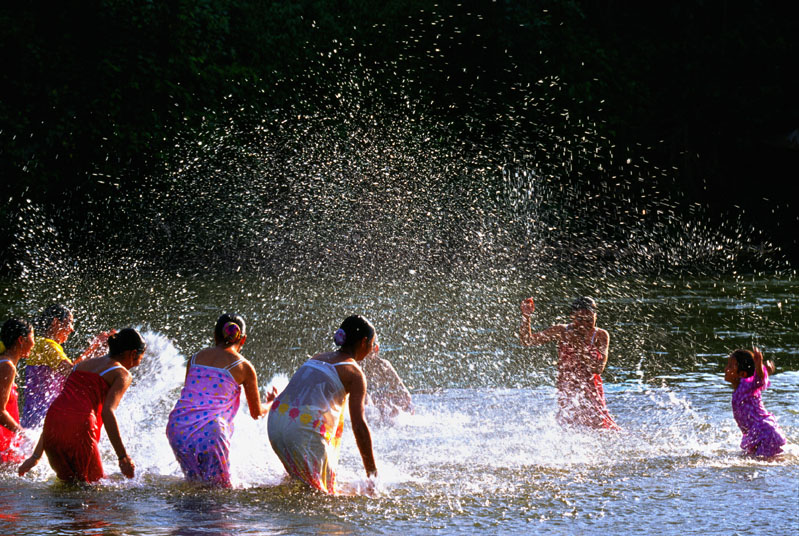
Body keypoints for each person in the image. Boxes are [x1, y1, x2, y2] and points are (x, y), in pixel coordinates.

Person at [268, 315, 378, 494]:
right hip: (301, 427)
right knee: (321, 499)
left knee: (301, 487)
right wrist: (372, 474)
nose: (372, 349)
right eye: (372, 344)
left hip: (276, 420)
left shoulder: (319, 357)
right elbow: (359, 425)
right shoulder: (355, 373)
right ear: (364, 342)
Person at [18, 328, 146, 483]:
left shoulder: (81, 365)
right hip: (81, 429)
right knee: (93, 491)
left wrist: (36, 456)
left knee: (68, 487)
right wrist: (123, 457)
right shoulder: (122, 374)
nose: (138, 364)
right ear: (133, 354)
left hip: (53, 422)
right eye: (140, 358)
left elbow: (63, 408)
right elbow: (108, 412)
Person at [166, 313, 276, 488]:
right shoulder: (244, 366)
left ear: (215, 335)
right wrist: (271, 403)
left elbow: (191, 398)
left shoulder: (194, 358)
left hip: (177, 427)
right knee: (220, 493)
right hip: (211, 431)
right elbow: (256, 413)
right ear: (243, 339)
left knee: (194, 486)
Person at [519, 296, 619, 430]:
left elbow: (598, 368)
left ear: (596, 316)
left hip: (590, 385)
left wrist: (578, 346)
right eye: (579, 320)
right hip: (567, 383)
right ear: (572, 317)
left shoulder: (601, 335)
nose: (584, 324)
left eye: (589, 320)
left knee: (599, 422)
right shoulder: (562, 331)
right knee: (568, 422)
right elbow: (527, 341)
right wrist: (526, 316)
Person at [21, 304, 111, 428]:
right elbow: (73, 372)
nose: (72, 329)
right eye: (69, 323)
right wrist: (94, 348)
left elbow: (71, 369)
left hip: (33, 417)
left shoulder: (40, 343)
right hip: (44, 420)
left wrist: (95, 352)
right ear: (55, 322)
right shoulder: (48, 346)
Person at [724, 348, 786, 458]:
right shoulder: (743, 387)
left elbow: (759, 379)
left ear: (742, 374)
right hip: (760, 435)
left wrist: (759, 366)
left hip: (766, 434)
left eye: (730, 366)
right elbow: (757, 378)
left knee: (759, 463)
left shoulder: (745, 385)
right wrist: (764, 370)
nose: (725, 369)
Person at [0, 319, 35, 464]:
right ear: (21, 340)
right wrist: (24, 433)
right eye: (32, 338)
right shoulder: (6, 366)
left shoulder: (5, 363)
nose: (33, 344)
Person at [360, 350, 413, 422]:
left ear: (376, 349)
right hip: (371, 397)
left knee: (405, 402)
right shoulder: (357, 365)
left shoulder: (383, 365)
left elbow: (404, 392)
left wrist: (393, 397)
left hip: (384, 396)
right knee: (369, 400)